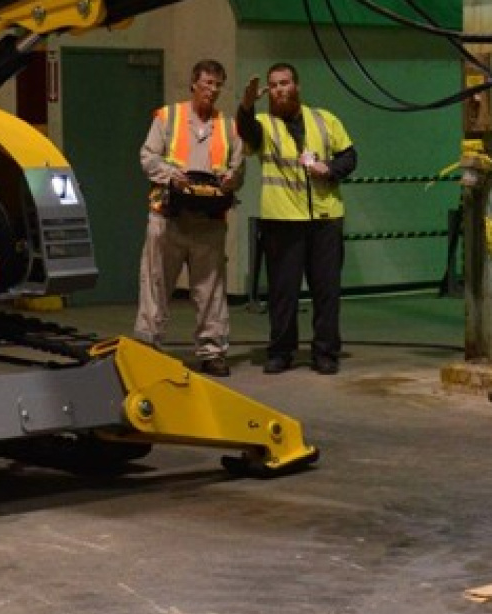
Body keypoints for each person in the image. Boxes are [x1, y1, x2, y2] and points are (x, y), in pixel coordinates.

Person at [237, 63, 356, 375]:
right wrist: (246, 106)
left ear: (297, 86)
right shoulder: (264, 124)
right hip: (282, 220)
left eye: (285, 83)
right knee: (283, 292)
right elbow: (247, 132)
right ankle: (281, 352)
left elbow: (349, 156)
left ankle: (325, 352)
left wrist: (330, 169)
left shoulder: (324, 119)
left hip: (325, 218)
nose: (279, 89)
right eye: (274, 85)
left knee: (327, 291)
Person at [134, 60, 244, 377]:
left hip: (209, 222)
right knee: (156, 284)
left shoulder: (229, 126)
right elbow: (148, 157)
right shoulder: (169, 117)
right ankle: (148, 347)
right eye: (208, 83)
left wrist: (231, 179)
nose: (213, 90)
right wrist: (171, 175)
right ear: (194, 83)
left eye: (218, 85)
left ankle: (213, 351)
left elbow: (238, 169)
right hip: (168, 218)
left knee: (211, 290)